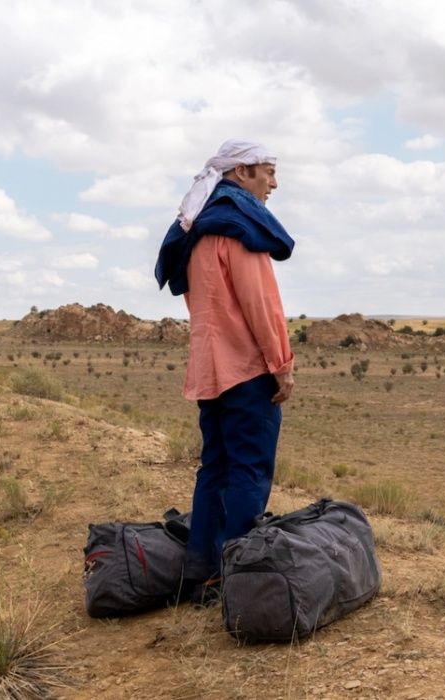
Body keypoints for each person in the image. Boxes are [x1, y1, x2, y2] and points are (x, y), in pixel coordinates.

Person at [154, 139, 296, 604]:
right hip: (246, 370)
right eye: (268, 172)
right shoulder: (242, 227)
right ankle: (237, 576)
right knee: (250, 471)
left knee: (214, 468)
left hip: (209, 372)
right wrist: (281, 365)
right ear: (240, 173)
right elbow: (261, 306)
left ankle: (202, 572)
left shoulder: (199, 228)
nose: (275, 183)